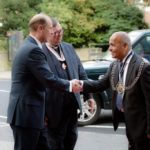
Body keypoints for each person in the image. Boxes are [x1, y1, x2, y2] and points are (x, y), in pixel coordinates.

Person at [7, 13, 81, 150]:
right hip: (26, 116)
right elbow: (48, 79)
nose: (51, 31)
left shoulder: (29, 46)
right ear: (40, 28)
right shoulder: (33, 50)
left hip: (32, 115)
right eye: (49, 28)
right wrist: (70, 85)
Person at [81, 31, 150, 150]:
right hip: (127, 120)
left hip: (141, 124)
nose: (110, 48)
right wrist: (81, 84)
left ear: (125, 46)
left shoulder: (142, 67)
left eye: (113, 45)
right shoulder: (114, 65)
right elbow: (100, 85)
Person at [42, 18, 94, 150]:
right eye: (55, 33)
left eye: (60, 31)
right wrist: (42, 113)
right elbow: (37, 86)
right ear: (47, 33)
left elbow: (81, 74)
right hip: (52, 110)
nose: (59, 35)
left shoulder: (68, 47)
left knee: (71, 139)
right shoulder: (40, 52)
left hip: (72, 107)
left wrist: (90, 97)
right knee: (55, 144)